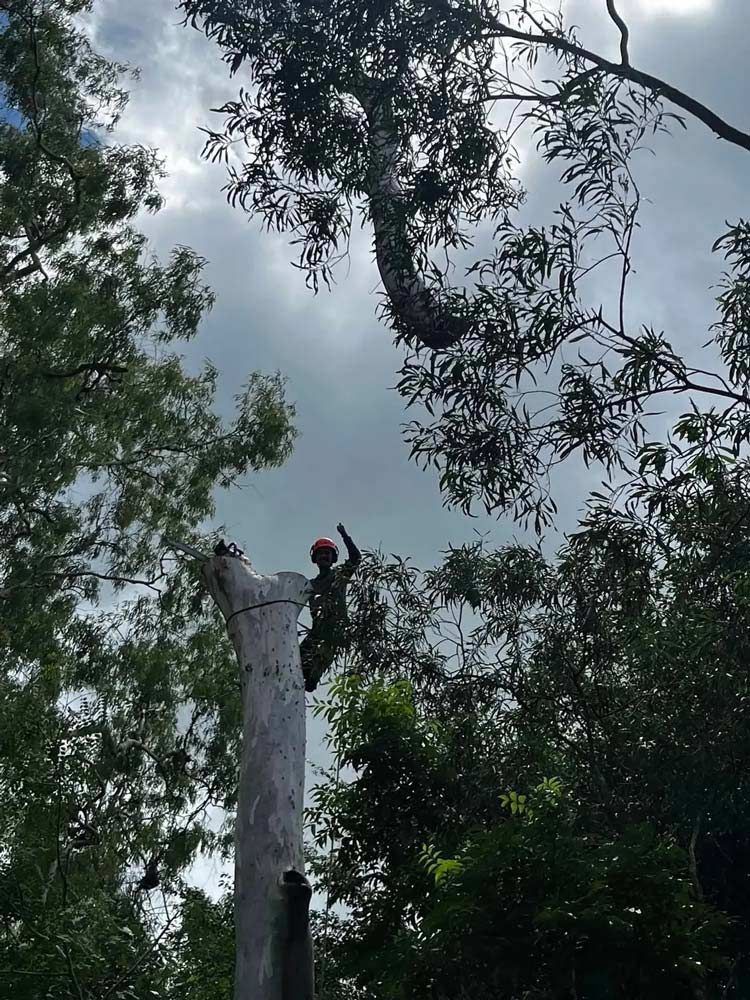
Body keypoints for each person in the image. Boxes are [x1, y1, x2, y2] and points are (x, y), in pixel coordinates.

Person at [300, 522, 361, 692]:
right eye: (321, 553)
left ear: (333, 558)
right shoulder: (309, 585)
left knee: (316, 667)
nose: (324, 556)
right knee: (296, 658)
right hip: (317, 630)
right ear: (315, 558)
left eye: (327, 553)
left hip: (336, 629)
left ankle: (313, 678)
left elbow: (356, 558)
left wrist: (344, 535)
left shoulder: (339, 575)